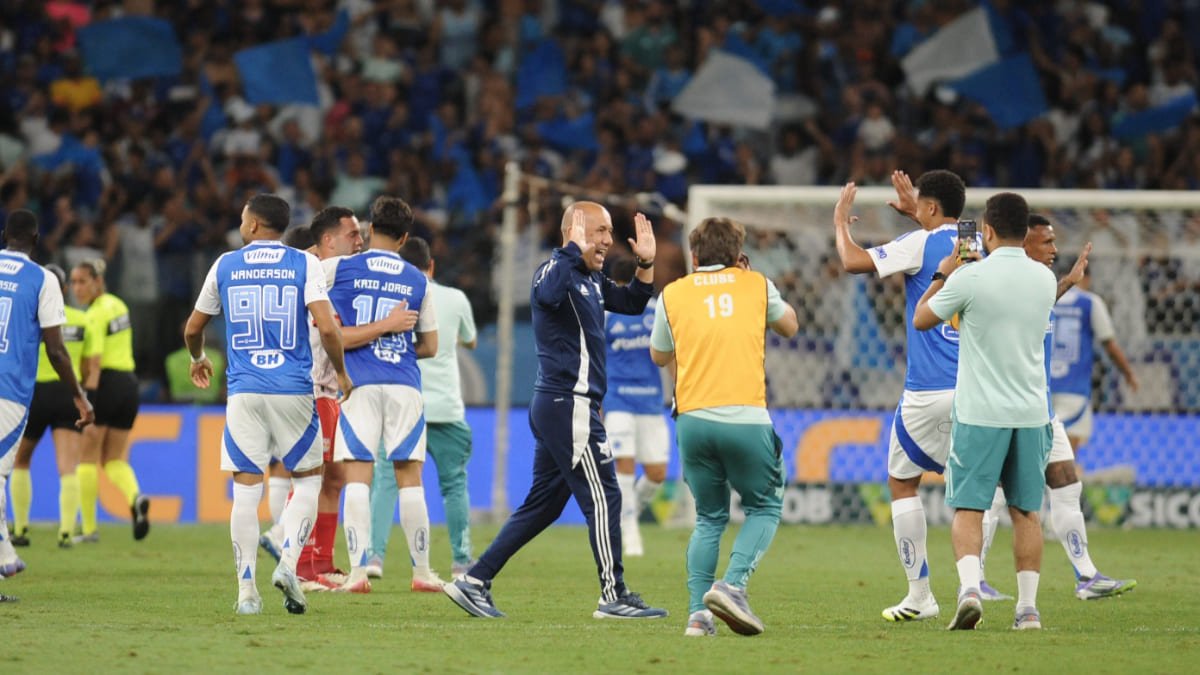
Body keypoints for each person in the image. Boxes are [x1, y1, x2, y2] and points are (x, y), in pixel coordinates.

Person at [443, 201, 668, 620]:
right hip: (568, 403)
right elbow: (546, 294)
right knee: (605, 497)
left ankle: (474, 580)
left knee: (544, 505)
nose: (608, 240)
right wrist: (570, 250)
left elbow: (633, 302)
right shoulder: (553, 270)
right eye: (599, 231)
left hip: (564, 405)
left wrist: (646, 264)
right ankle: (613, 595)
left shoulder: (590, 278)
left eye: (609, 232)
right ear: (574, 230)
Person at [184, 193, 351, 615]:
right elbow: (327, 328)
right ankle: (289, 565)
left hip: (244, 391)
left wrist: (198, 358)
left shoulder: (225, 265)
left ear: (254, 225)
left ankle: (246, 593)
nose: (241, 224)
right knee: (308, 481)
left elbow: (193, 328)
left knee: (245, 490)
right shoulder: (305, 264)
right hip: (294, 389)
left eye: (243, 218)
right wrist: (342, 372)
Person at [833, 170, 974, 621]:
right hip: (979, 390)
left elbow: (852, 261)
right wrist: (921, 213)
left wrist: (840, 223)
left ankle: (920, 595)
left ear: (929, 207)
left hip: (928, 390)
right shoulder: (980, 244)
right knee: (980, 492)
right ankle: (977, 589)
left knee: (902, 481)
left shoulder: (919, 242)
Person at [913, 192, 1057, 631]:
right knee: (1026, 511)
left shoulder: (970, 278)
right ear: (1025, 232)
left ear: (987, 231)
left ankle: (971, 590)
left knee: (969, 508)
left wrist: (945, 272)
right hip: (1031, 412)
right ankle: (1027, 610)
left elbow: (922, 318)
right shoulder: (1045, 279)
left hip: (981, 412)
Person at [650, 217, 799, 637]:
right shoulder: (756, 285)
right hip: (745, 417)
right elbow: (791, 326)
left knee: (709, 517)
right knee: (765, 506)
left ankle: (698, 616)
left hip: (693, 419)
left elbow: (659, 355)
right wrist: (748, 281)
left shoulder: (673, 293)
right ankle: (732, 586)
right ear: (738, 255)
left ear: (694, 256)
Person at [977, 216, 1137, 601]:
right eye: (1046, 242)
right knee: (992, 495)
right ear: (1024, 244)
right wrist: (1068, 282)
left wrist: (1068, 281)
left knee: (1066, 480)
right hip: (1004, 407)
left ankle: (1087, 576)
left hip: (1041, 407)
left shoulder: (1040, 283)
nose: (1054, 249)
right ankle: (975, 580)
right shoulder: (1002, 280)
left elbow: (1040, 299)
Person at [323, 195, 442, 594]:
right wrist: (397, 343)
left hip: (359, 384)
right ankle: (422, 573)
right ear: (405, 237)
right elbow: (431, 346)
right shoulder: (418, 281)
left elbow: (328, 330)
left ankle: (358, 574)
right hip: (404, 383)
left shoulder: (339, 268)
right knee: (410, 477)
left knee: (359, 475)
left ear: (370, 228)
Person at [367, 236, 479, 579]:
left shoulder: (389, 297)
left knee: (386, 481)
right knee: (454, 485)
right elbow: (471, 340)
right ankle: (461, 562)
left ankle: (374, 557)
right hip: (446, 407)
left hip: (403, 403)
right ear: (431, 265)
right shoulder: (455, 298)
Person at [0, 210, 94, 585]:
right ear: (37, 240)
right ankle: (7, 555)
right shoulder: (42, 279)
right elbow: (56, 350)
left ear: (4, 235)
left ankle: (7, 553)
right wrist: (80, 397)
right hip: (9, 390)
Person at [295, 206, 364, 590]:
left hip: (329, 392)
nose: (360, 242)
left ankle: (321, 561)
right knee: (309, 477)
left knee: (334, 477)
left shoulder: (328, 275)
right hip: (311, 389)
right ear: (328, 241)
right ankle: (300, 565)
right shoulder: (319, 268)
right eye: (352, 235)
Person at [9, 264, 95, 548]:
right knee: (68, 466)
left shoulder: (30, 319)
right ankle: (66, 532)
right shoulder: (82, 320)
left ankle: (20, 529)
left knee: (21, 460)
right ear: (65, 289)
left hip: (35, 391)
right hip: (68, 393)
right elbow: (86, 365)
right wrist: (80, 393)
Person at [69, 258, 149, 543]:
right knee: (114, 458)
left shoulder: (94, 315)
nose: (76, 288)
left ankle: (89, 529)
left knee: (87, 457)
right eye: (73, 282)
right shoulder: (119, 305)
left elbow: (94, 363)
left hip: (104, 385)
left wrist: (87, 401)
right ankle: (135, 497)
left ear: (98, 281)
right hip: (129, 384)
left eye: (82, 281)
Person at [603, 256, 669, 558]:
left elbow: (670, 352)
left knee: (656, 473)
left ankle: (628, 511)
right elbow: (596, 358)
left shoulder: (656, 311)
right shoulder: (606, 314)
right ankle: (629, 532)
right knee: (624, 464)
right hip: (618, 398)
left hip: (650, 400)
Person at [1051, 265, 1139, 452]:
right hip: (1074, 389)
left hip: (1044, 387)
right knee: (1066, 457)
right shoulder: (1090, 302)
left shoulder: (1048, 299)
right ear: (1086, 278)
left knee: (1044, 453)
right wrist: (1128, 373)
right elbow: (1109, 344)